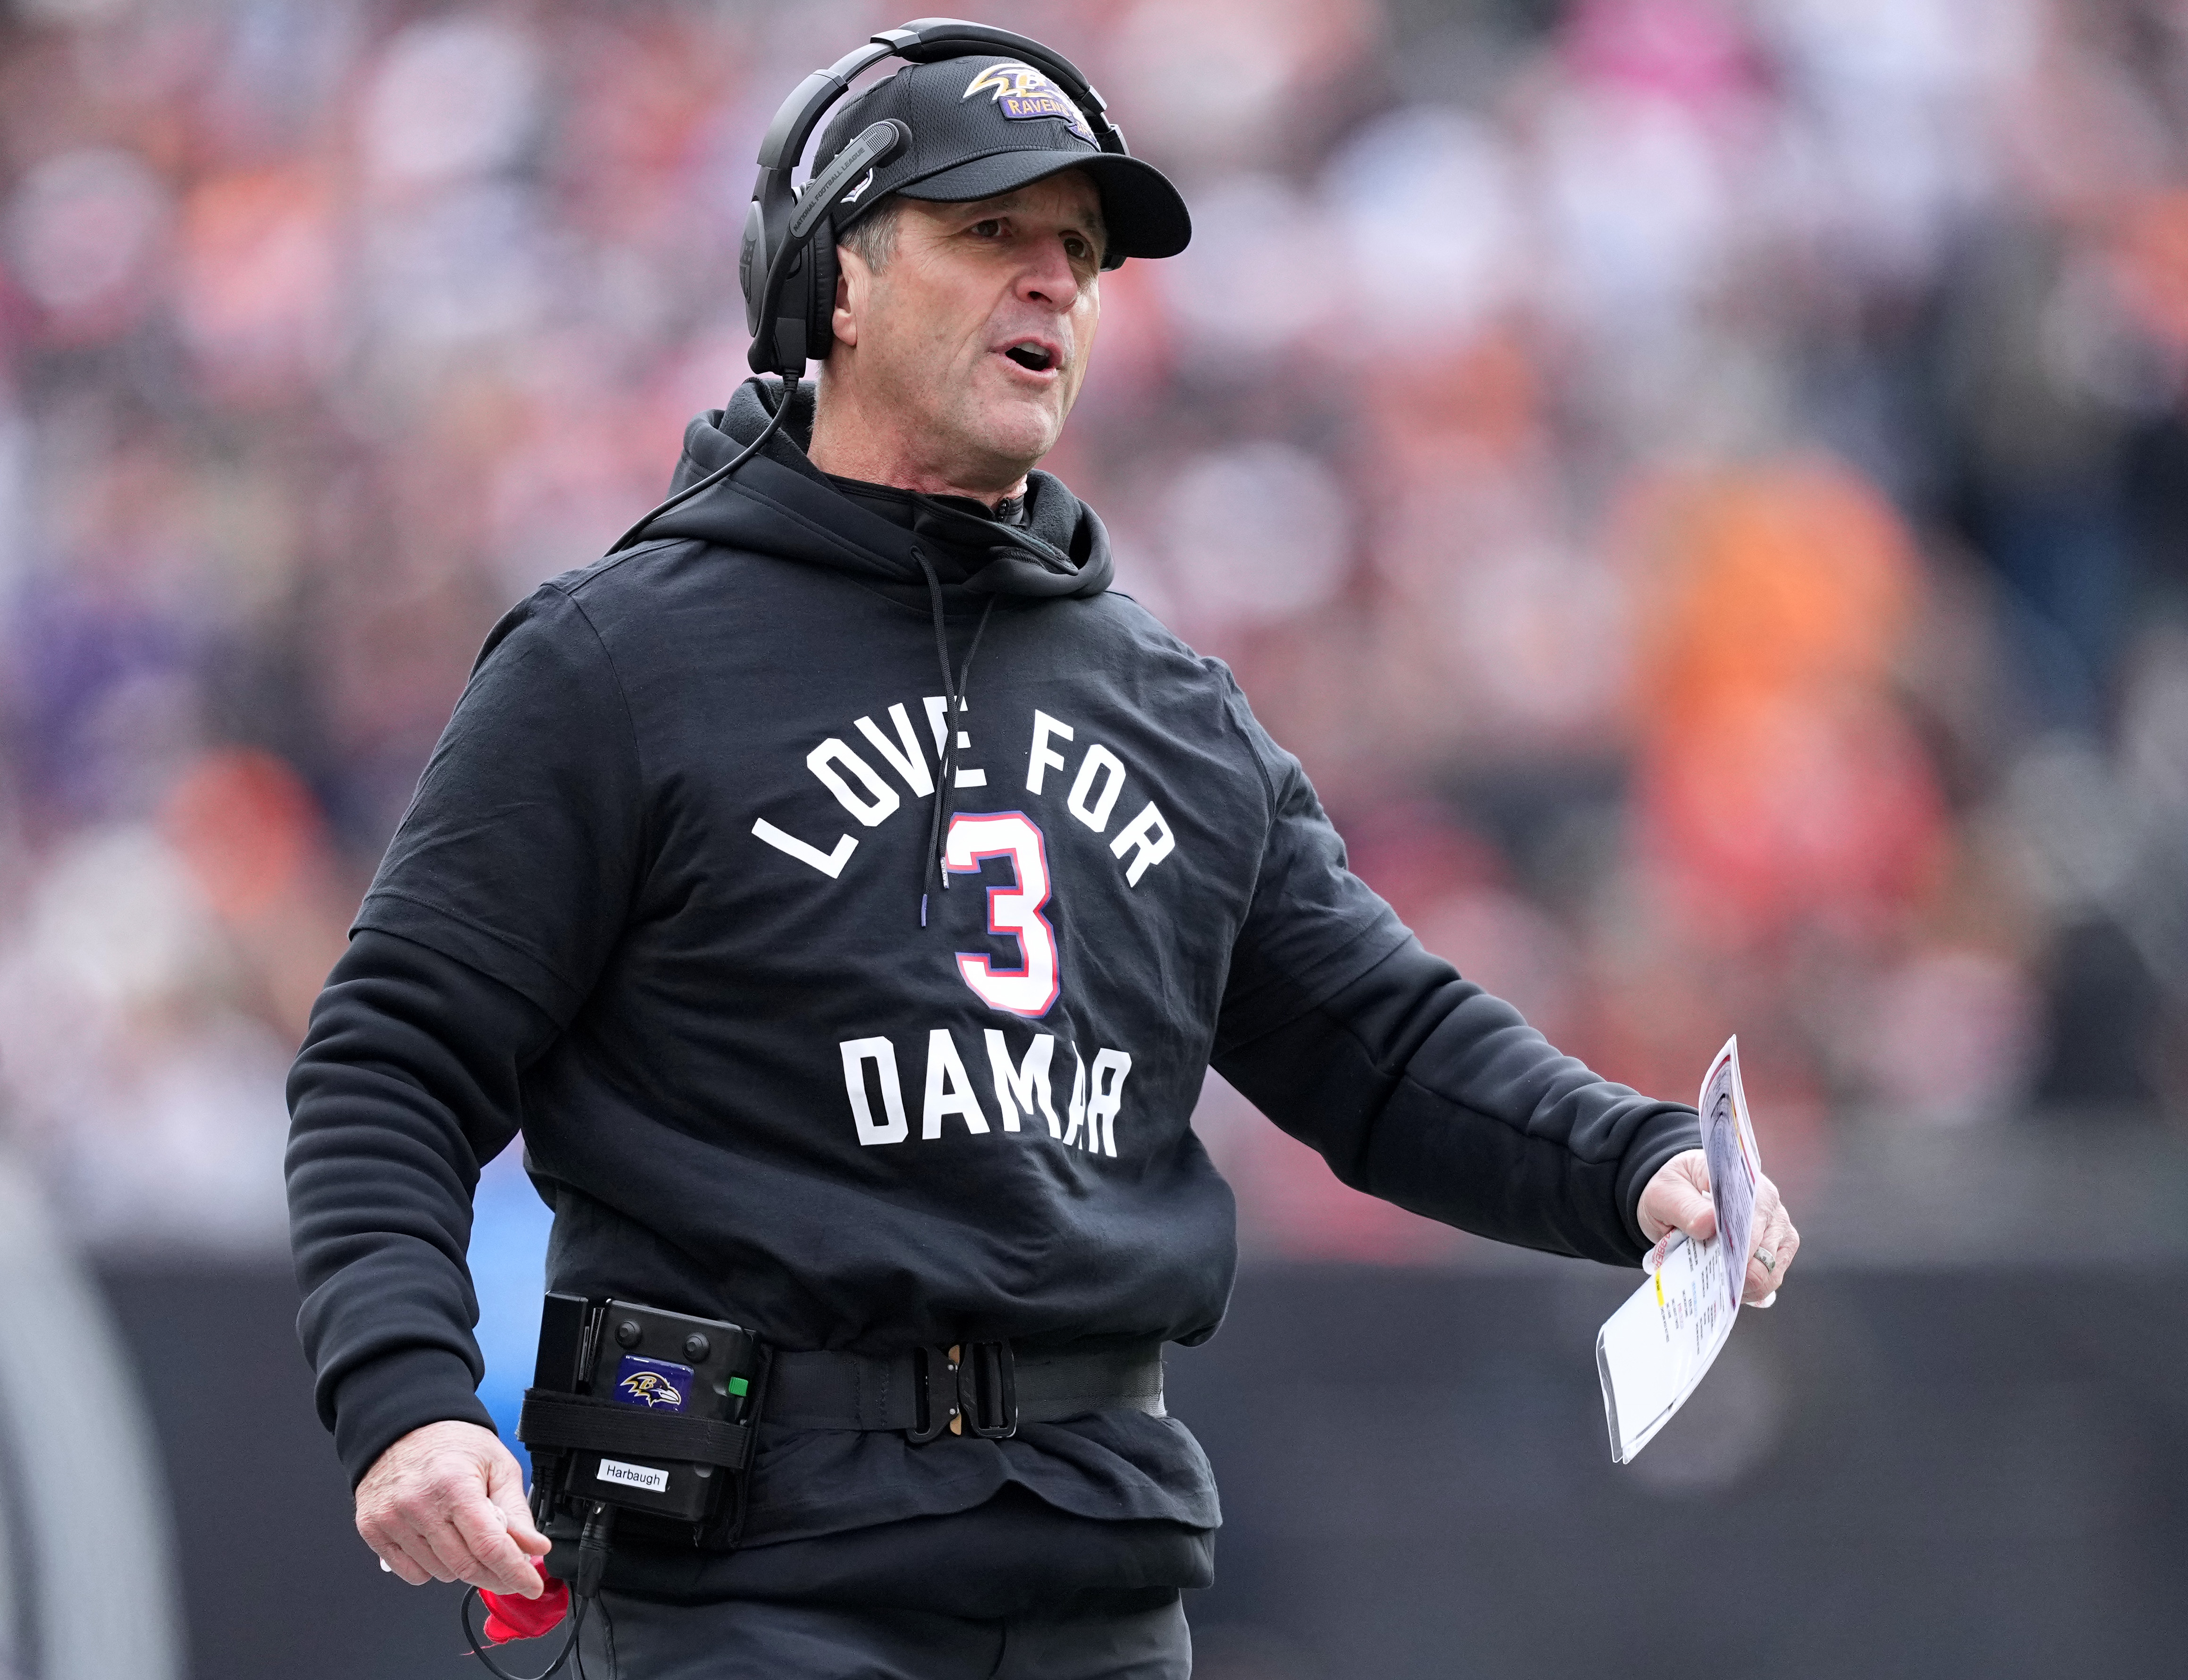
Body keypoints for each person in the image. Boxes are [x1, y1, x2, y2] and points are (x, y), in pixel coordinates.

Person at [286, 28, 1802, 1680]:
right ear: (835, 285)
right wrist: (408, 1400)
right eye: (988, 231)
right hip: (751, 1576)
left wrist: (1634, 1159)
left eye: (1079, 250)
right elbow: (391, 1066)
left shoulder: (1170, 703)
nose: (1052, 285)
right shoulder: (618, 666)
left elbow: (1380, 1046)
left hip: (1093, 1559)